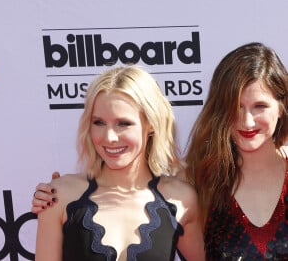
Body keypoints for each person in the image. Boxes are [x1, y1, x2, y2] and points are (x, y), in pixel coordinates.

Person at [34, 65, 205, 261]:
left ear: (151, 124)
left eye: (123, 123)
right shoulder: (59, 196)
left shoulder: (181, 199)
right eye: (98, 122)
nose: (109, 137)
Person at [185, 42, 288, 259]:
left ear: (281, 107)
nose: (247, 122)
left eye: (259, 106)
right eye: (235, 107)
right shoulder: (197, 182)